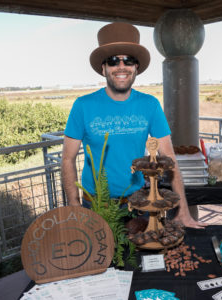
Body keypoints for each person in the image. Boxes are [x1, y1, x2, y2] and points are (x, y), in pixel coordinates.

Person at [61, 22, 207, 229]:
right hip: (94, 205)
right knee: (101, 262)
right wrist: (74, 204)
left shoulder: (150, 105)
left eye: (128, 61)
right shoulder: (82, 106)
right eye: (113, 61)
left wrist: (183, 210)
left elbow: (170, 158)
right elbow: (67, 158)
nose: (121, 66)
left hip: (138, 205)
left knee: (143, 259)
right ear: (103, 69)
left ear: (136, 68)